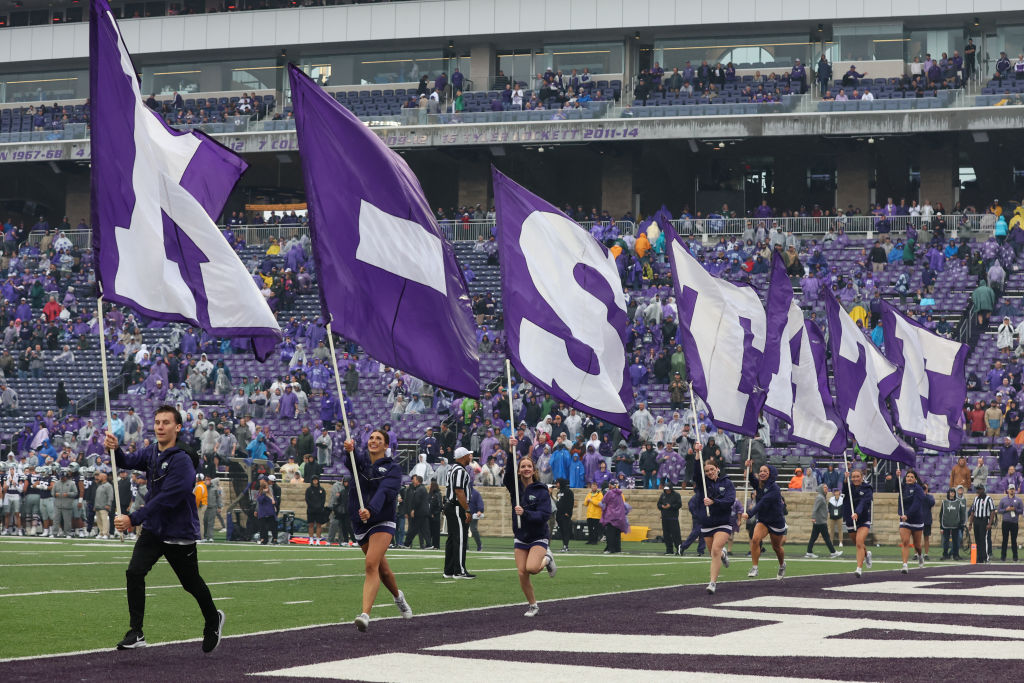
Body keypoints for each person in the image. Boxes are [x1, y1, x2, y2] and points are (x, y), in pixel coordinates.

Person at [103, 406, 223, 653]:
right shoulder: (151, 451)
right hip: (155, 529)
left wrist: (133, 518)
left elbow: (167, 498)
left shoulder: (182, 461)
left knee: (191, 584)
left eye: (166, 422)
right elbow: (127, 461)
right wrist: (115, 449)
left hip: (178, 532)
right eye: (157, 422)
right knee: (134, 572)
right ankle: (136, 631)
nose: (160, 426)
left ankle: (213, 620)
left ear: (177, 428)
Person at [343, 429, 411, 632]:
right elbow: (351, 463)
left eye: (378, 439)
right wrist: (349, 451)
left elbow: (385, 492)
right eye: (371, 438)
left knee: (371, 563)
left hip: (381, 519)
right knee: (382, 568)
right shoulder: (361, 461)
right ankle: (398, 597)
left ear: (386, 445)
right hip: (360, 521)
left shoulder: (393, 469)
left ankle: (365, 614)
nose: (374, 441)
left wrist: (371, 510)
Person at [504, 444, 556, 617]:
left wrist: (525, 513)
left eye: (529, 466)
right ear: (519, 471)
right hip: (521, 536)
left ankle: (547, 559)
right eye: (522, 466)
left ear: (533, 470)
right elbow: (507, 477)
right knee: (521, 572)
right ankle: (533, 605)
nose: (526, 469)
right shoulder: (515, 488)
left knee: (532, 568)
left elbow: (544, 515)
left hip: (538, 536)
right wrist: (511, 451)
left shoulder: (541, 490)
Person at [692, 456, 736, 594]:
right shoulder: (703, 483)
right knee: (714, 553)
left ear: (717, 469)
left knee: (715, 550)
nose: (710, 472)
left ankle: (712, 583)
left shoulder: (727, 483)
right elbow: (696, 475)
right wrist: (697, 458)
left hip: (723, 522)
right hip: (708, 522)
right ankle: (723, 555)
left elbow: (730, 500)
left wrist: (714, 502)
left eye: (712, 469)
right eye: (707, 471)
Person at [743, 462, 787, 579]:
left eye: (765, 471)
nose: (762, 473)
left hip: (776, 521)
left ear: (770, 474)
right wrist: (750, 469)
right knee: (755, 539)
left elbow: (762, 503)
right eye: (761, 471)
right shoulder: (760, 484)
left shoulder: (775, 488)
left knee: (776, 547)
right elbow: (752, 480)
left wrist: (749, 513)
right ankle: (755, 567)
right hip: (763, 520)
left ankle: (782, 565)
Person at [443, 447, 474, 579]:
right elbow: (459, 491)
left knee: (452, 538)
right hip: (457, 506)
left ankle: (449, 570)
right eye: (468, 455)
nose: (470, 457)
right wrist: (467, 509)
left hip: (451, 505)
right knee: (460, 538)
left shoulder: (452, 469)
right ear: (463, 457)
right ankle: (459, 570)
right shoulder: (460, 470)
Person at [843, 468, 874, 577]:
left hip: (863, 519)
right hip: (850, 519)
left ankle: (859, 568)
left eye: (857, 476)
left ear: (862, 477)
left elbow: (863, 502)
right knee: (857, 543)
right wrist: (845, 480)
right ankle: (867, 554)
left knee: (859, 542)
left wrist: (857, 513)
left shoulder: (867, 488)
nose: (855, 479)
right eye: (853, 477)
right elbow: (844, 491)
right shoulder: (849, 486)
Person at [896, 469, 926, 573]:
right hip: (905, 520)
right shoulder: (902, 487)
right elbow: (899, 500)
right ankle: (905, 565)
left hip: (916, 519)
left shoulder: (918, 489)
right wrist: (897, 477)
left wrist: (907, 515)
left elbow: (916, 504)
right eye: (907, 476)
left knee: (917, 545)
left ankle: (920, 555)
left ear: (915, 479)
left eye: (911, 477)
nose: (909, 478)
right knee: (905, 542)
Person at [805, 484, 841, 558]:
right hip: (820, 521)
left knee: (814, 537)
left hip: (819, 521)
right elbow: (815, 508)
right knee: (826, 537)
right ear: (821, 489)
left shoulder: (822, 497)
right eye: (824, 487)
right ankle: (833, 552)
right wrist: (813, 517)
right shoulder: (820, 497)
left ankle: (809, 552)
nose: (826, 488)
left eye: (827, 487)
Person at [600, 479, 630, 554]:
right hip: (619, 516)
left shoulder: (609, 492)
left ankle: (610, 549)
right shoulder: (620, 493)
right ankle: (617, 549)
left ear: (611, 485)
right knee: (617, 534)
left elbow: (603, 501)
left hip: (611, 516)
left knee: (610, 534)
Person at [968, 485, 996, 564]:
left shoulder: (988, 499)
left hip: (984, 520)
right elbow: (973, 511)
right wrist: (970, 523)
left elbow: (992, 511)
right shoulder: (976, 499)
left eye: (979, 489)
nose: (978, 491)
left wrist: (990, 523)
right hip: (976, 520)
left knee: (984, 540)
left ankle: (986, 557)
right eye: (977, 489)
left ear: (983, 490)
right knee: (978, 539)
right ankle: (979, 558)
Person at [939, 487, 966, 560]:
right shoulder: (944, 502)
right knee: (945, 541)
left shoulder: (958, 502)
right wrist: (941, 526)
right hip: (946, 524)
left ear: (955, 493)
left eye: (953, 492)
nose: (952, 493)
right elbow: (941, 514)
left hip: (955, 525)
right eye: (951, 492)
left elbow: (961, 513)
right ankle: (945, 554)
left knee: (955, 541)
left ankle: (955, 555)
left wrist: (961, 523)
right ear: (948, 493)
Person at [998, 484, 1022, 561]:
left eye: (1013, 489)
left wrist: (1015, 509)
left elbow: (1021, 511)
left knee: (1014, 540)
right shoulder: (1003, 500)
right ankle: (1003, 557)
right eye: (1010, 489)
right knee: (1005, 540)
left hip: (1014, 522)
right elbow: (999, 510)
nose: (1012, 490)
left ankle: (1015, 557)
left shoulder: (1019, 500)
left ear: (1014, 490)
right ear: (1008, 490)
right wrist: (1006, 510)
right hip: (1005, 522)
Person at [658, 484, 683, 555]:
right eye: (666, 489)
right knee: (666, 535)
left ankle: (679, 550)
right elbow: (658, 504)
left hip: (673, 518)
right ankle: (669, 550)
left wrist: (670, 506)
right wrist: (662, 506)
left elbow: (679, 505)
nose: (667, 491)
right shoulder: (663, 495)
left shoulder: (676, 495)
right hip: (664, 518)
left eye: (668, 489)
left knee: (676, 535)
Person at [553, 478, 574, 552]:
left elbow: (571, 503)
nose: (556, 485)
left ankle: (566, 546)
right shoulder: (558, 492)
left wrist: (568, 513)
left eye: (557, 483)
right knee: (562, 531)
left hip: (565, 515)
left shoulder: (568, 492)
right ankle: (564, 545)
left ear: (561, 483)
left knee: (566, 530)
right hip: (559, 515)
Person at [305, 476, 327, 545]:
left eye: (316, 480)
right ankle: (311, 539)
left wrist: (320, 507)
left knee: (319, 525)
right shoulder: (308, 490)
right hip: (311, 510)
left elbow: (323, 500)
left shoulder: (321, 490)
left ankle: (318, 540)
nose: (315, 481)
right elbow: (307, 499)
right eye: (314, 480)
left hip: (319, 510)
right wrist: (312, 506)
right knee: (311, 525)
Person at [254, 479, 276, 545]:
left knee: (273, 526)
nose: (267, 488)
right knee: (263, 527)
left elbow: (274, 501)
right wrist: (263, 493)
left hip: (270, 512)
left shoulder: (270, 493)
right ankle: (263, 539)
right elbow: (259, 501)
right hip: (263, 512)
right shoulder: (260, 493)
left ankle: (275, 539)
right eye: (265, 487)